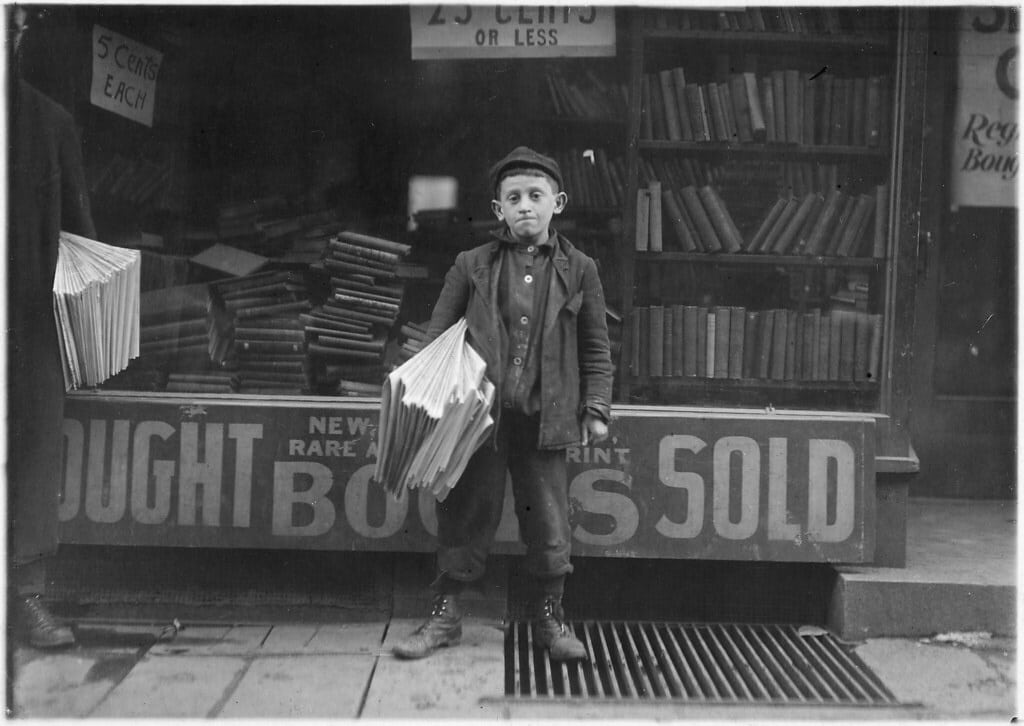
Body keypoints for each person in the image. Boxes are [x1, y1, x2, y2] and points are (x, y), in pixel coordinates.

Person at [392, 146, 613, 661]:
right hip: (478, 421)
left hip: (546, 420)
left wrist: (596, 408)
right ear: (498, 210)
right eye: (513, 198)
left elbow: (596, 348)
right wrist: (424, 401)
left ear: (557, 203)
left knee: (548, 520)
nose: (525, 207)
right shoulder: (472, 265)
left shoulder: (581, 270)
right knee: (465, 514)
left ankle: (550, 622)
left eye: (536, 196)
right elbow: (436, 338)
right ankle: (445, 618)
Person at [7, 4, 95, 648]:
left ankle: (27, 599)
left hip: (27, 323)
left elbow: (79, 237)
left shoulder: (48, 121)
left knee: (32, 457)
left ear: (20, 34)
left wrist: (86, 325)